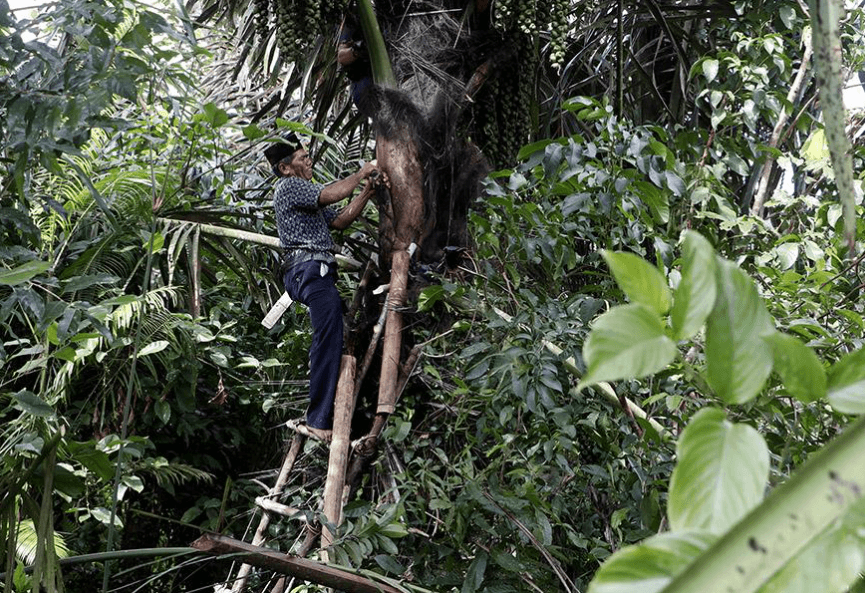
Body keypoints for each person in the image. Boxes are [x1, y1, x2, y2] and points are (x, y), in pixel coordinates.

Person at [264, 135, 381, 443]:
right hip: (309, 271)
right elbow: (331, 194)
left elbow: (340, 220)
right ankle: (318, 419)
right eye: (303, 158)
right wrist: (361, 173)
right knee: (327, 338)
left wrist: (367, 191)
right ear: (285, 168)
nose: (310, 161)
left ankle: (329, 410)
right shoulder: (289, 187)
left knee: (335, 333)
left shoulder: (306, 196)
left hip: (314, 273)